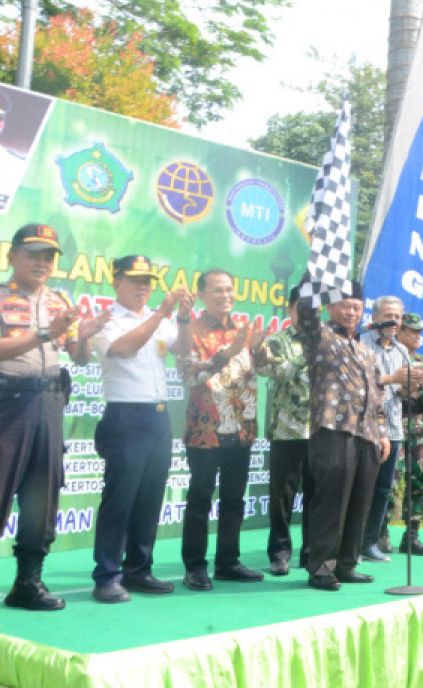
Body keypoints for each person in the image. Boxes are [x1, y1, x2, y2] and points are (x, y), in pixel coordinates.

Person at [0, 223, 103, 610]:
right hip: (7, 402)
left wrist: (86, 333)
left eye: (49, 256)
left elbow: (77, 355)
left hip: (48, 403)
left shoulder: (60, 301)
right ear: (12, 256)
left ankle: (27, 582)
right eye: (33, 253)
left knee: (43, 495)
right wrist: (44, 333)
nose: (41, 262)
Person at [89, 255, 193, 603]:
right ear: (116, 280)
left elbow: (183, 350)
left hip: (158, 417)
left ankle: (138, 569)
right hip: (125, 417)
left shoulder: (159, 320)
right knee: (120, 498)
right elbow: (122, 349)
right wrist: (162, 313)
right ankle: (107, 575)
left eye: (147, 281)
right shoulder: (107, 320)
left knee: (150, 497)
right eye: (135, 280)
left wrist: (182, 317)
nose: (143, 287)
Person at [294, 280, 397, 590]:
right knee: (331, 501)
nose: (352, 311)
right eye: (345, 305)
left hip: (366, 433)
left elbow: (376, 393)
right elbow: (305, 310)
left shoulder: (366, 351)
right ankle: (321, 568)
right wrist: (318, 277)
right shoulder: (320, 336)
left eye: (357, 306)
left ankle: (347, 563)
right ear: (330, 306)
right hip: (332, 429)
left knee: (359, 500)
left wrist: (382, 433)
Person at [179, 269, 267, 590]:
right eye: (217, 290)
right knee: (201, 497)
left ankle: (228, 561)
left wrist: (257, 350)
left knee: (234, 498)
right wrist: (225, 354)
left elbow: (265, 370)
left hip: (241, 429)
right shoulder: (193, 329)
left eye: (229, 290)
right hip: (205, 430)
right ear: (202, 294)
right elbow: (188, 374)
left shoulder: (246, 331)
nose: (225, 296)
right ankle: (195, 566)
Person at [257, 286, 312, 577]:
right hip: (287, 429)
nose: (307, 313)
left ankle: (311, 552)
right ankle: (279, 552)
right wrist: (308, 354)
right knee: (283, 495)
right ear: (291, 309)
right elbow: (277, 373)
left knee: (317, 494)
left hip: (321, 429)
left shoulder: (327, 339)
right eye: (301, 307)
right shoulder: (277, 341)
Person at [359, 296, 407, 563]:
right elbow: (359, 382)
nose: (393, 321)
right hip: (366, 428)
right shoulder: (362, 344)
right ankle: (351, 545)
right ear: (375, 317)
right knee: (361, 488)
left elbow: (399, 389)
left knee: (383, 490)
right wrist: (392, 378)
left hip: (394, 427)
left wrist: (414, 383)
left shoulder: (401, 350)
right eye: (388, 315)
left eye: (397, 317)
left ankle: (370, 542)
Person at [392, 312, 423, 556]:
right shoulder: (390, 357)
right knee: (390, 481)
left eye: (420, 331)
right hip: (394, 423)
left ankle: (412, 536)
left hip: (418, 426)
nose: (417, 336)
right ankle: (378, 534)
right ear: (399, 332)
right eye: (412, 331)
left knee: (419, 481)